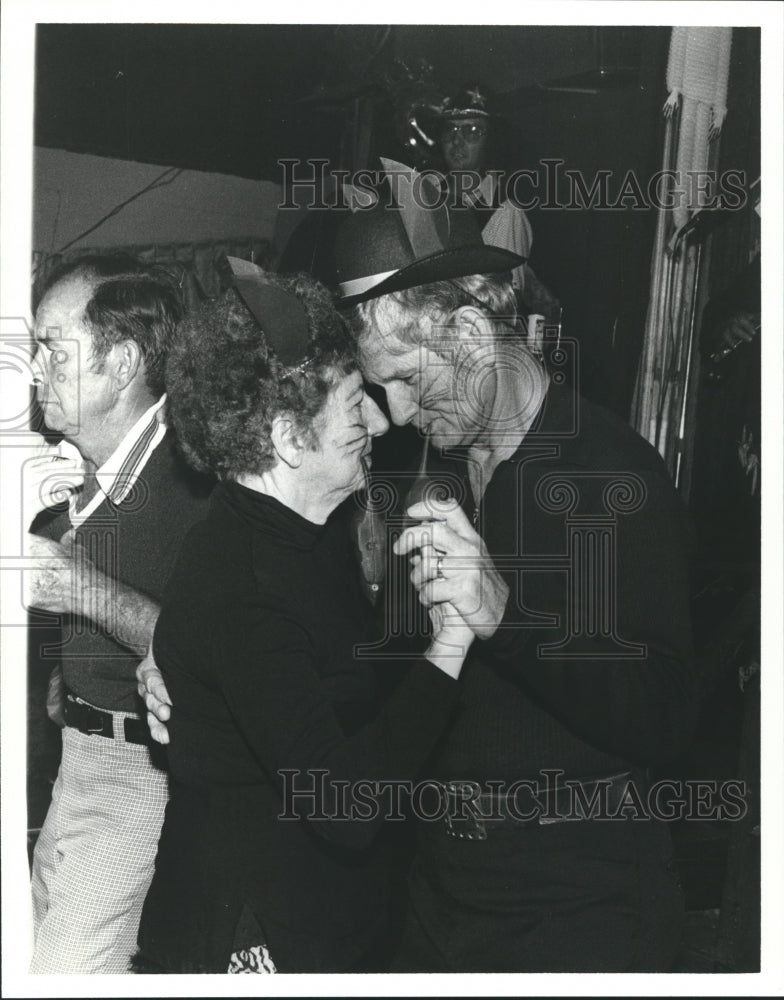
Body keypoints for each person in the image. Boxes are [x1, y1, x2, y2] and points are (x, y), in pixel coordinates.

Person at [327, 188, 698, 971]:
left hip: (578, 907)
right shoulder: (432, 473)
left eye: (403, 377)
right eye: (375, 386)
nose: (390, 414)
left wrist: (508, 615)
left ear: (468, 333)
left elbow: (665, 718)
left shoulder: (609, 472)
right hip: (440, 895)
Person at [134, 264, 474, 974]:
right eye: (356, 405)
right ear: (290, 437)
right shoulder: (248, 584)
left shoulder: (296, 535)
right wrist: (452, 643)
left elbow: (343, 699)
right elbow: (344, 805)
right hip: (249, 939)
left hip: (314, 920)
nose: (380, 421)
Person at [25, 254, 213, 973]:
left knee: (64, 974)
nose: (37, 369)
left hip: (142, 774)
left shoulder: (198, 476)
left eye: (53, 347)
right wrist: (76, 673)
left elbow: (217, 653)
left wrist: (85, 593)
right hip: (78, 754)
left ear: (124, 359)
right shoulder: (87, 468)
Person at [425, 84, 560, 323]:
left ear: (490, 141)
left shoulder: (505, 213)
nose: (457, 141)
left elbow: (505, 305)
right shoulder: (427, 195)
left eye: (472, 131)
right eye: (450, 131)